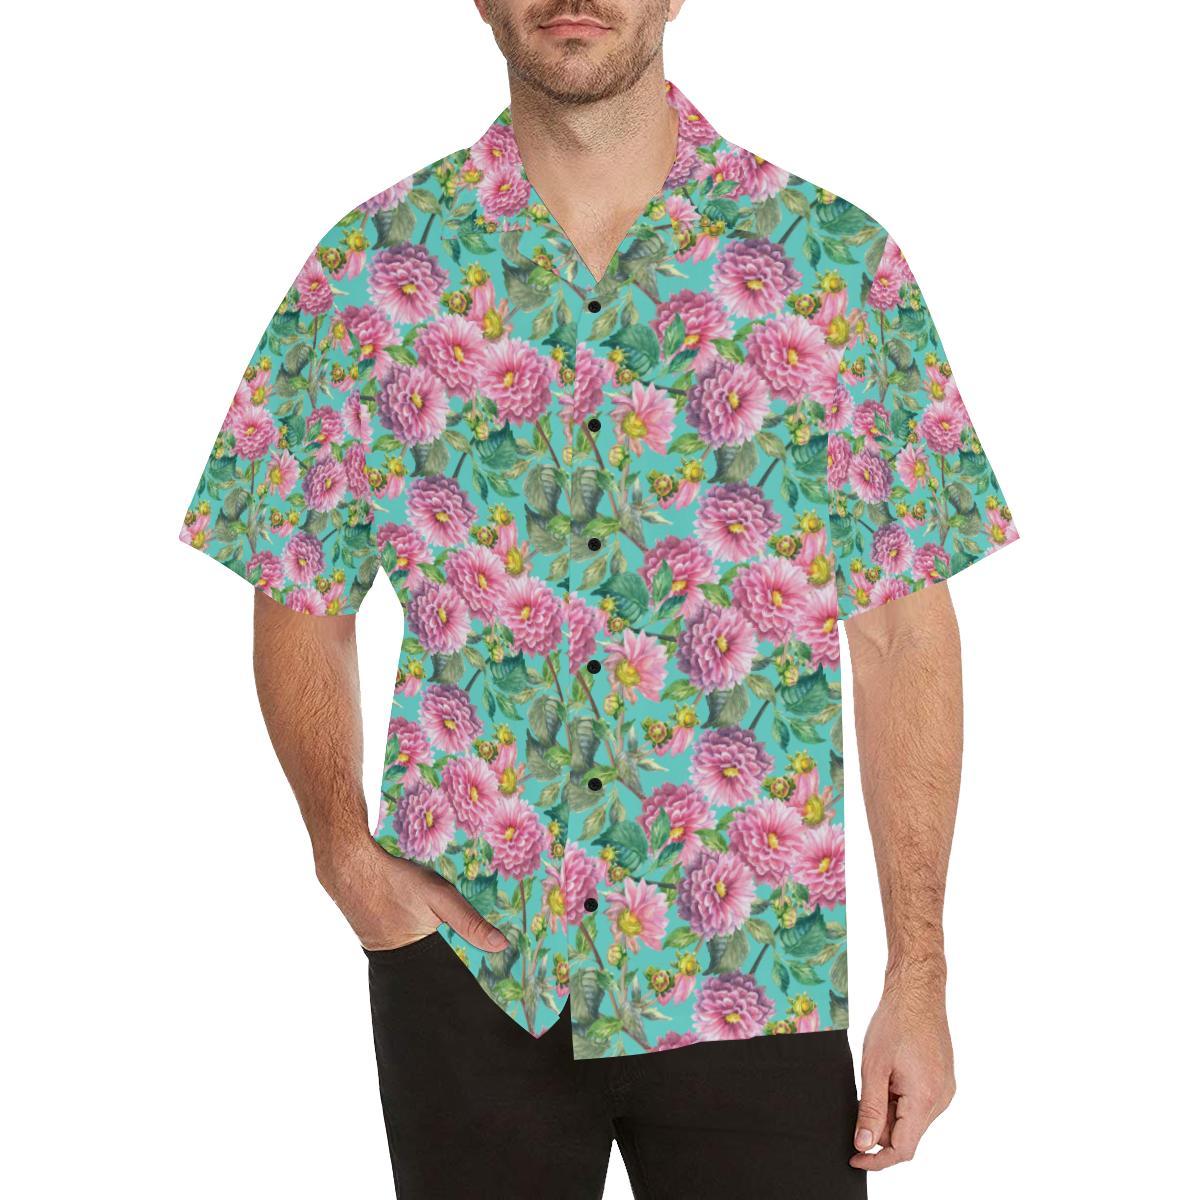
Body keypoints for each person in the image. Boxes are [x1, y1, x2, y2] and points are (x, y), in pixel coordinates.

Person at [178, 2, 1019, 1195]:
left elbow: (901, 635)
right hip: (468, 964)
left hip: (751, 969)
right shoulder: (370, 272)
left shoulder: (831, 265)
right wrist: (344, 856)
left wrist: (918, 975)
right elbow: (294, 579)